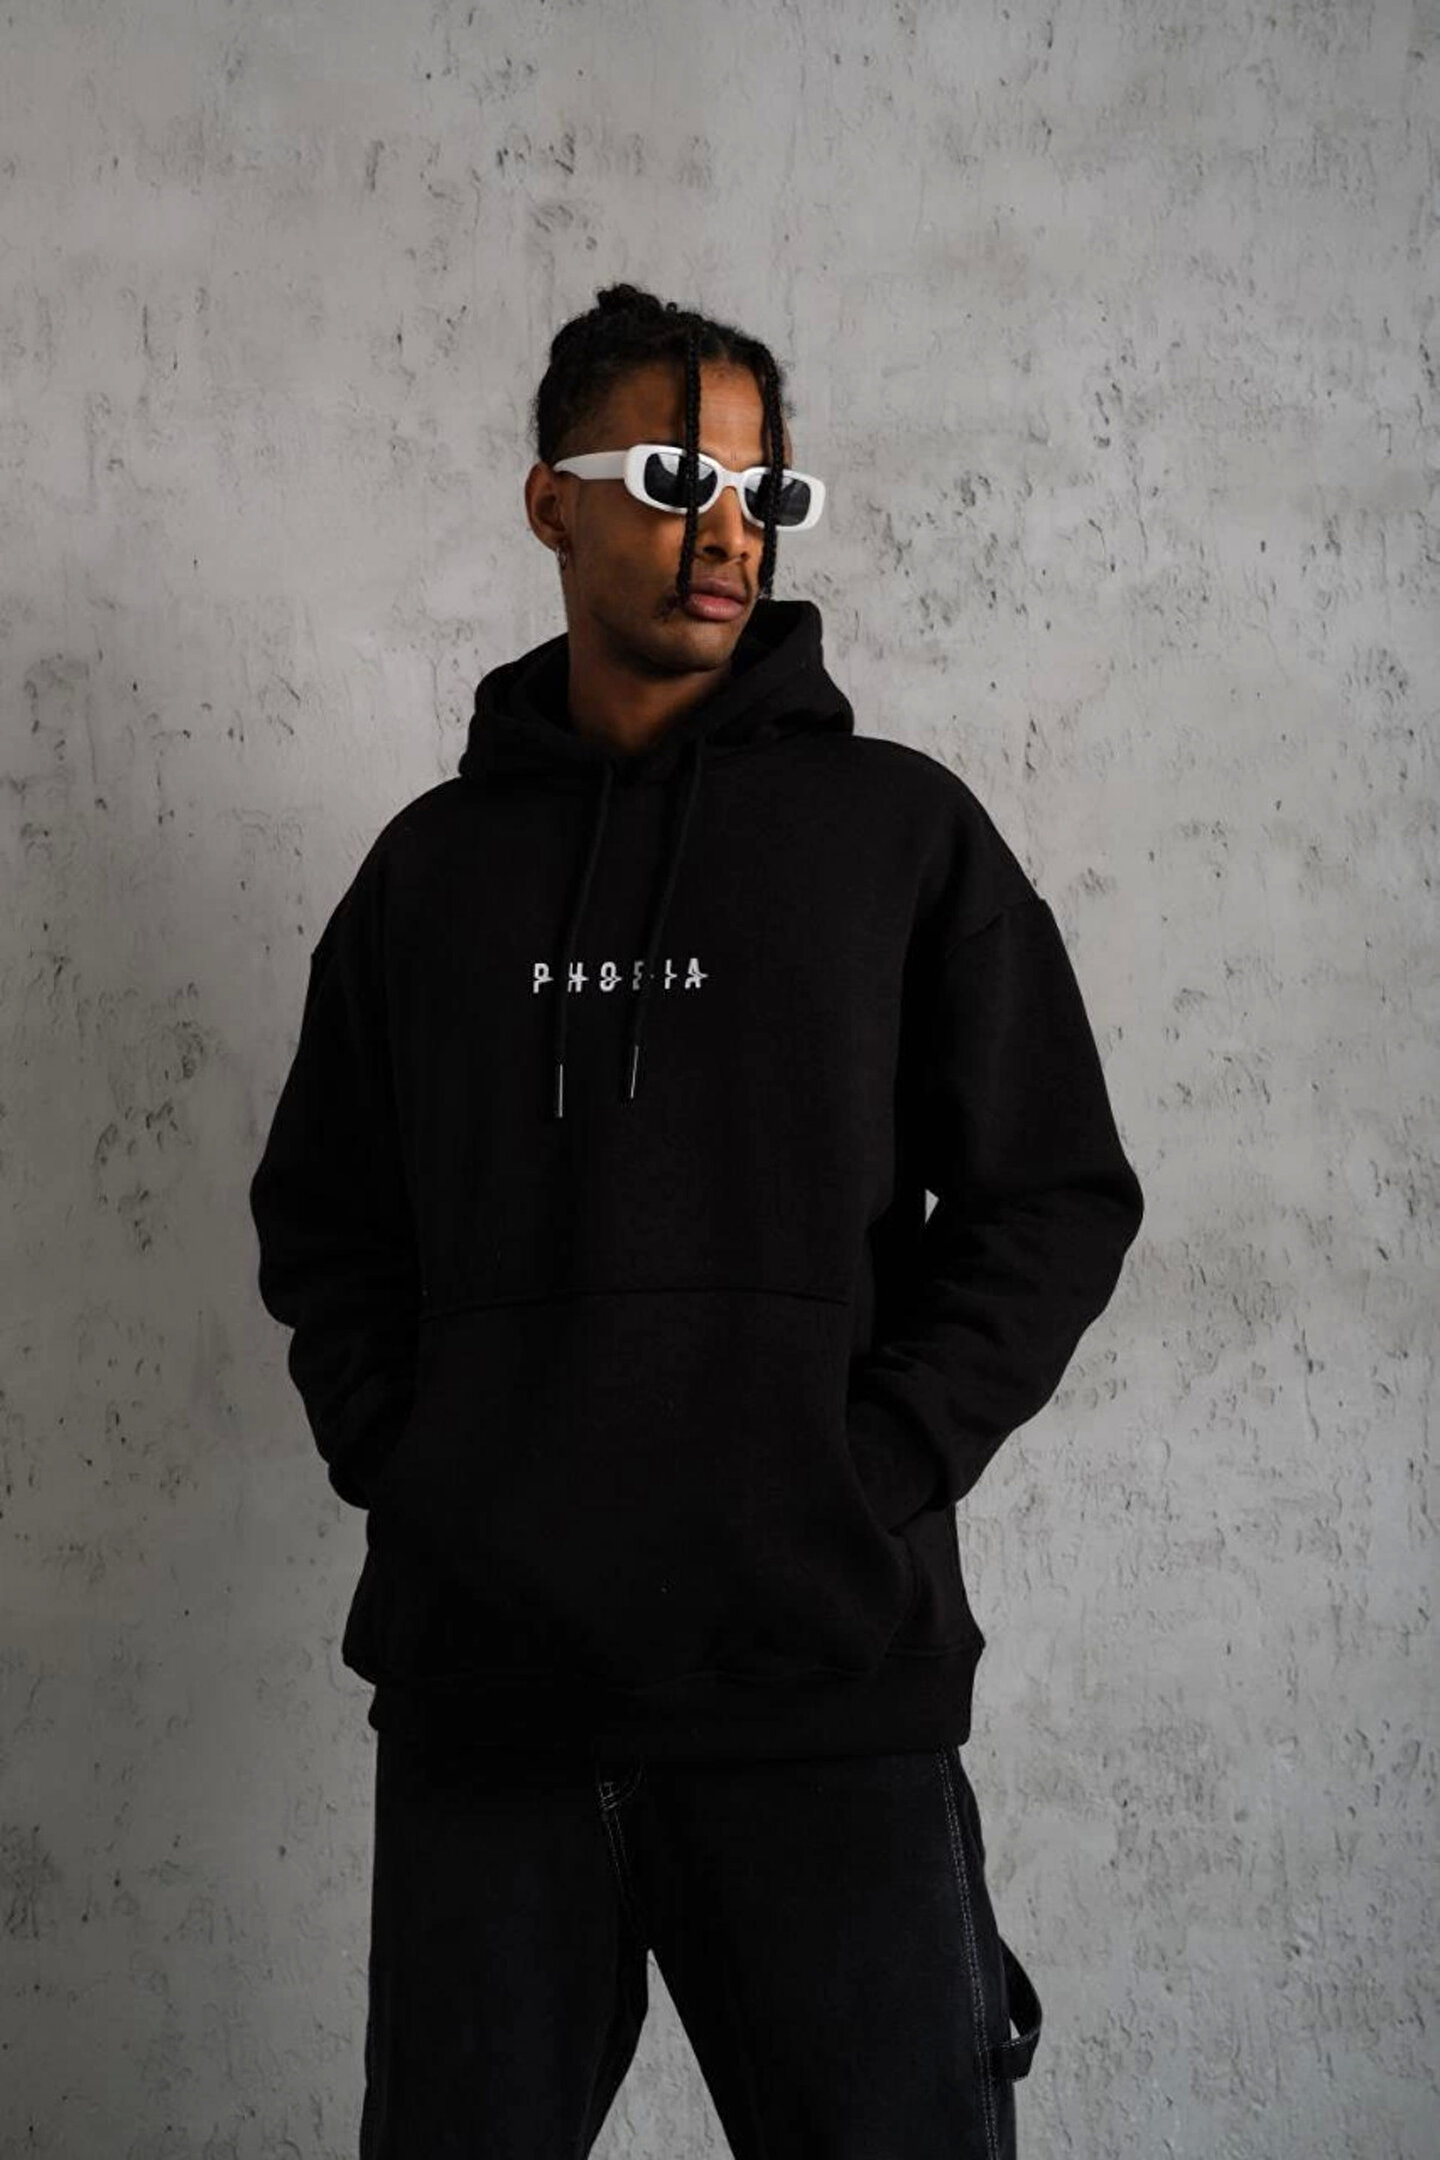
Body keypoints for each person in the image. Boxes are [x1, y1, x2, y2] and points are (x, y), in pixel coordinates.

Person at [248, 281, 1145, 2159]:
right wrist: (422, 1463)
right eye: (672, 480)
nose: (728, 529)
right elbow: (326, 1220)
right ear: (550, 503)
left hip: (822, 1698)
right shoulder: (430, 875)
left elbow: (1053, 1193)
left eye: (763, 491)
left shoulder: (900, 835)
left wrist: (870, 1464)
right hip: (491, 1707)